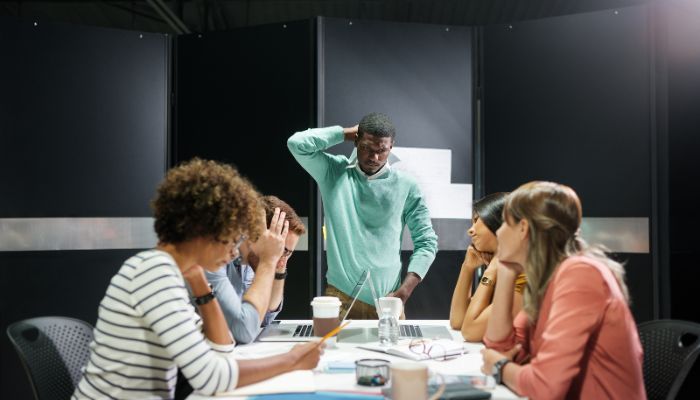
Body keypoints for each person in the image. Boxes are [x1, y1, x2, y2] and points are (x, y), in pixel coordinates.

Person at [73, 159, 322, 399]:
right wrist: (293, 360)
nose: (235, 251)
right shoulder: (154, 273)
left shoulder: (171, 271)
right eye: (230, 236)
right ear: (203, 230)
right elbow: (210, 376)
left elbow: (222, 348)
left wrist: (201, 287)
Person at [480, 181, 645, 399]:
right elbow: (499, 347)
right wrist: (505, 271)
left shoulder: (580, 276)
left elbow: (543, 387)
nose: (498, 233)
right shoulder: (549, 278)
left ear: (523, 229)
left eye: (503, 224)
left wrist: (500, 368)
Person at [287, 113, 438, 319]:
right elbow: (297, 144)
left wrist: (404, 292)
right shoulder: (333, 172)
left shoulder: (407, 186)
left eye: (382, 150)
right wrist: (343, 133)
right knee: (330, 352)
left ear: (391, 147)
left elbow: (427, 242)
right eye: (367, 147)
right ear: (356, 141)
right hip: (340, 298)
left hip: (389, 299)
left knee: (393, 352)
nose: (374, 157)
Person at [206, 195, 306, 344]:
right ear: (257, 233)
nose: (281, 258)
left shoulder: (251, 263)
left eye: (288, 253)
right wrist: (267, 261)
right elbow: (243, 331)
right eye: (281, 249)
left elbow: (265, 318)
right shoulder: (215, 259)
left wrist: (279, 269)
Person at [449, 192, 526, 342]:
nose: (470, 230)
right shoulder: (504, 267)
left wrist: (490, 272)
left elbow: (470, 332)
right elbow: (458, 321)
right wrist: (467, 267)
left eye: (477, 221)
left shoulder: (523, 272)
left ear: (500, 223)